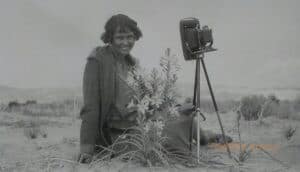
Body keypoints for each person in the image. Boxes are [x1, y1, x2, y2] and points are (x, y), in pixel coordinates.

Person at [79, 14, 232, 163]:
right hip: (118, 135)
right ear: (110, 38)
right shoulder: (97, 61)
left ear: (135, 37)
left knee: (185, 115)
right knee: (171, 131)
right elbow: (90, 108)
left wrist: (174, 108)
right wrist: (86, 149)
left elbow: (148, 101)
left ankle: (206, 137)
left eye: (130, 37)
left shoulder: (131, 63)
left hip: (139, 123)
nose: (125, 42)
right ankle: (199, 140)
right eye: (120, 37)